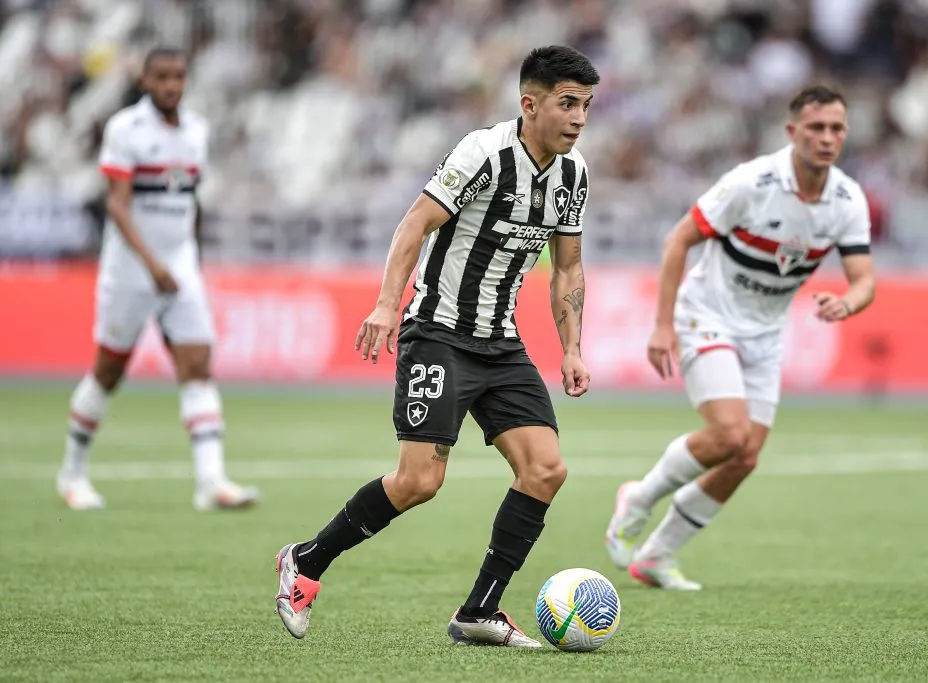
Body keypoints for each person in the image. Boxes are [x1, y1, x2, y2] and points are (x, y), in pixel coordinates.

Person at [274, 45, 598, 646]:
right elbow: (415, 223)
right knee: (420, 481)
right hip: (440, 334)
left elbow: (568, 268)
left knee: (546, 469)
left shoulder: (574, 176)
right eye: (568, 103)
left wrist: (572, 346)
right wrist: (384, 304)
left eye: (586, 106)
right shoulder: (484, 152)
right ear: (530, 104)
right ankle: (306, 561)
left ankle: (478, 612)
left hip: (501, 344)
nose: (579, 118)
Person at [605, 85, 876, 590]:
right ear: (793, 132)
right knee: (729, 434)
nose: (827, 137)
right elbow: (679, 239)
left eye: (837, 128)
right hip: (707, 314)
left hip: (766, 333)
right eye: (816, 127)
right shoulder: (752, 183)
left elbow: (864, 279)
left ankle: (657, 556)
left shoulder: (846, 199)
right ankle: (638, 498)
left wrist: (849, 301)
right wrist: (663, 325)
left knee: (745, 456)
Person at [56, 47, 259, 512]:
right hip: (130, 268)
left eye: (179, 77)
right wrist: (153, 266)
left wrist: (190, 263)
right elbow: (117, 205)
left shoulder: (196, 130)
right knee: (109, 370)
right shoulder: (125, 129)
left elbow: (190, 203)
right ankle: (72, 473)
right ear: (145, 80)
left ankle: (211, 481)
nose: (171, 85)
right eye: (162, 77)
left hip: (179, 266)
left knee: (198, 365)